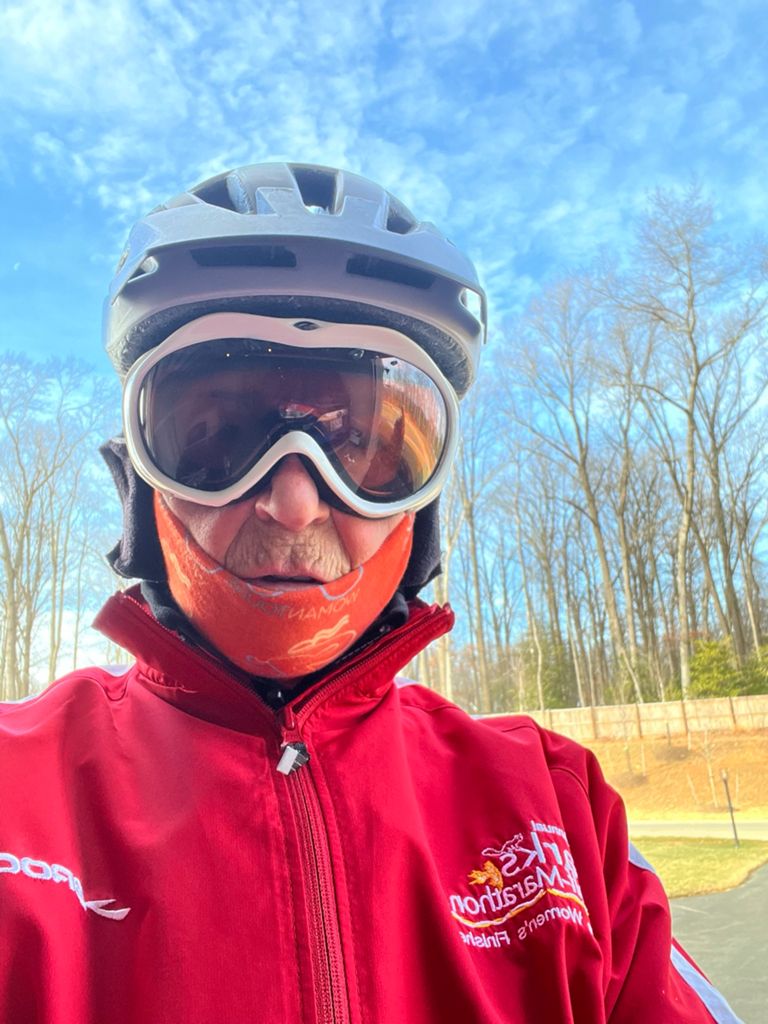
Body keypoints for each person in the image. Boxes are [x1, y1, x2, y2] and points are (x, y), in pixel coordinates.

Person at [0, 163, 740, 1023]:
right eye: (216, 438)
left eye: (363, 450)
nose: (294, 502)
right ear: (140, 484)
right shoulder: (17, 794)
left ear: (421, 508)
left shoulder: (557, 809)